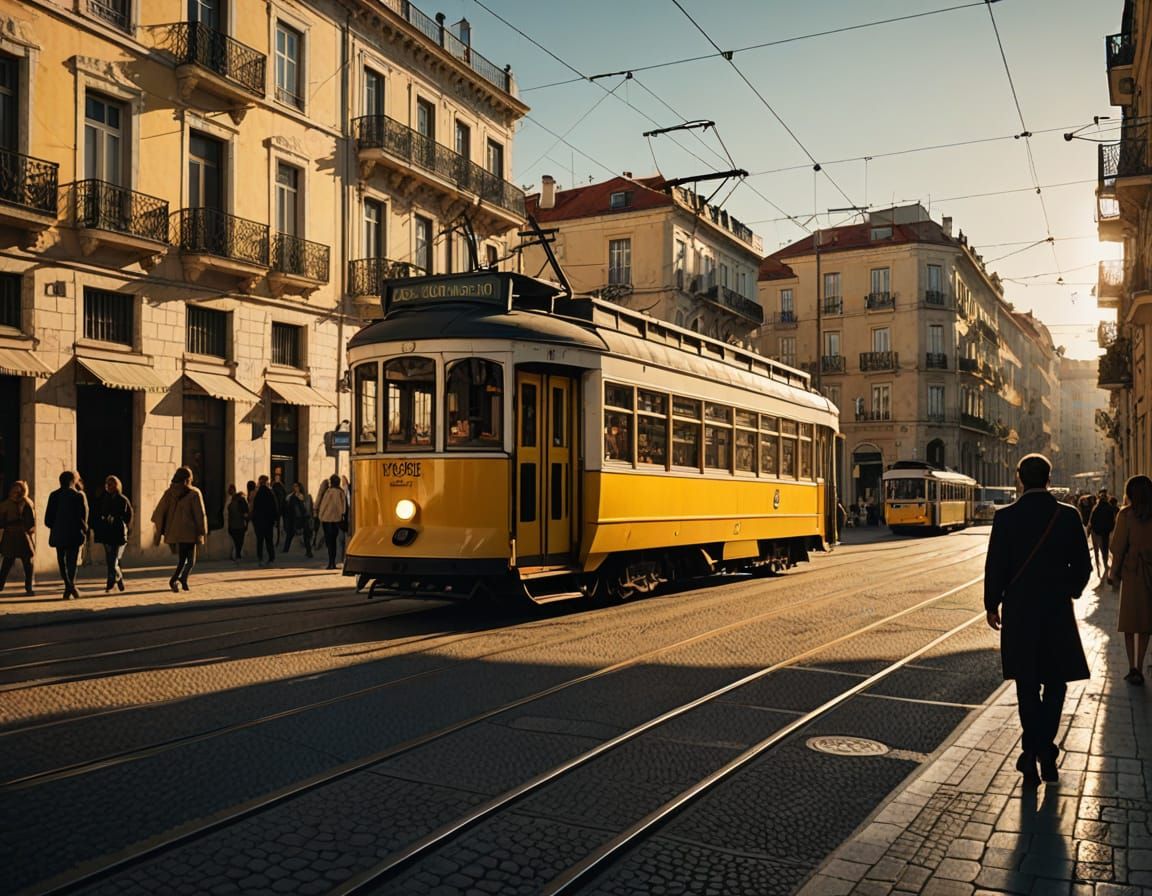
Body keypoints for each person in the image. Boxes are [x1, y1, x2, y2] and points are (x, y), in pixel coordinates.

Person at [985, 453, 1091, 786]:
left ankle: (1032, 754)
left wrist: (992, 604)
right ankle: (1045, 752)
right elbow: (1083, 567)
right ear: (1048, 478)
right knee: (1056, 683)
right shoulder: (1068, 516)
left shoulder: (1005, 518)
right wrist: (1069, 591)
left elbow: (996, 567)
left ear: (1020, 479)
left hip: (1019, 614)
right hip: (1056, 613)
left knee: (1027, 685)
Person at [1107, 475, 1152, 685]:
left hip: (1133, 572)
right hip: (1150, 570)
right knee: (1145, 623)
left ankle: (1133, 667)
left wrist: (1113, 573)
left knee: (1129, 622)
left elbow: (1117, 547)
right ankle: (1141, 664)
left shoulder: (1126, 515)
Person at [151, 466, 207, 592]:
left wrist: (161, 531)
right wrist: (202, 530)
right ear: (189, 479)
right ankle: (180, 579)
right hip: (190, 531)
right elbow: (200, 514)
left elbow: (160, 512)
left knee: (182, 559)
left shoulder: (169, 493)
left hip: (177, 532)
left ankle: (180, 580)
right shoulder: (194, 493)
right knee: (191, 561)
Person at [45, 470, 89, 601]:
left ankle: (68, 586)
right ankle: (70, 587)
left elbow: (48, 519)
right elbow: (84, 516)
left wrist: (55, 526)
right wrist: (85, 529)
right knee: (72, 561)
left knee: (61, 561)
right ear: (73, 481)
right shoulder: (79, 495)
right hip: (74, 533)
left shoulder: (54, 495)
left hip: (59, 533)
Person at [92, 475, 132, 593]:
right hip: (106, 533)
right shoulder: (104, 498)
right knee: (110, 559)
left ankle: (111, 583)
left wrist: (119, 521)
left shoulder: (122, 499)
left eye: (110, 484)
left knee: (113, 560)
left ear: (116, 485)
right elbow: (98, 512)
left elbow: (128, 516)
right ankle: (119, 580)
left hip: (118, 533)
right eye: (107, 484)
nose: (108, 486)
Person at [0, 480, 35, 595]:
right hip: (11, 536)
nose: (16, 492)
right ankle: (0, 585)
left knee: (28, 563)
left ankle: (29, 587)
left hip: (23, 536)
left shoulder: (26, 503)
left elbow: (31, 521)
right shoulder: (6, 504)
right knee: (7, 563)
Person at [317, 474, 346, 570]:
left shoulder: (329, 492)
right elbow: (343, 506)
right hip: (336, 519)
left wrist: (320, 516)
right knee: (333, 541)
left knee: (330, 542)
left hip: (327, 519)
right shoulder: (341, 492)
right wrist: (342, 515)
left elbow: (324, 505)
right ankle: (332, 562)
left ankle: (331, 562)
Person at [1088, 488, 1117, 579]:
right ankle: (1105, 565)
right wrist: (1109, 529)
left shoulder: (1095, 508)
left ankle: (1098, 568)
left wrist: (1090, 531)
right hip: (1105, 533)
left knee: (1096, 551)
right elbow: (1112, 521)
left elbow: (1092, 521)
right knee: (1105, 550)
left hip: (1096, 533)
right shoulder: (1109, 508)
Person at [250, 475, 279, 565]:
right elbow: (275, 507)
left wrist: (253, 518)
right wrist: (275, 519)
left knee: (260, 540)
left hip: (259, 521)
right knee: (268, 540)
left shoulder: (256, 493)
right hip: (268, 521)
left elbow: (253, 507)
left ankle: (260, 558)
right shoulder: (270, 492)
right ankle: (271, 557)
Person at [283, 481, 314, 557]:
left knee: (306, 535)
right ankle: (285, 549)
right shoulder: (291, 496)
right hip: (294, 518)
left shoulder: (303, 496)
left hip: (302, 517)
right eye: (294, 486)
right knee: (290, 534)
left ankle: (309, 551)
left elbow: (305, 507)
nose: (295, 488)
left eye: (296, 486)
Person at [226, 484, 248, 561]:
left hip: (239, 523)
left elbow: (245, 511)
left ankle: (238, 554)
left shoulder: (239, 499)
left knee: (239, 540)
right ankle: (237, 554)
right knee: (237, 540)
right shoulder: (231, 500)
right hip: (235, 524)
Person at [271, 470, 288, 542]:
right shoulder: (277, 486)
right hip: (278, 508)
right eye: (276, 478)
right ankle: (278, 539)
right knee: (278, 525)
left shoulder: (279, 486)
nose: (277, 479)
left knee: (278, 525)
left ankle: (278, 539)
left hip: (279, 508)